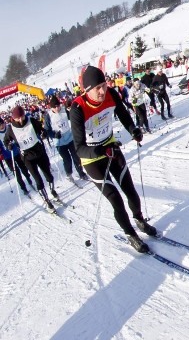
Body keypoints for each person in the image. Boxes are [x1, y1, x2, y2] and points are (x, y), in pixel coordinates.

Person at [70, 66, 156, 253]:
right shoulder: (77, 108)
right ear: (86, 90)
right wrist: (101, 150)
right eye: (97, 88)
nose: (102, 91)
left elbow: (123, 113)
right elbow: (79, 148)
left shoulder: (110, 94)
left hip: (110, 148)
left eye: (103, 85)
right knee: (115, 199)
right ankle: (130, 234)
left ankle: (140, 220)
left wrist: (133, 129)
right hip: (92, 159)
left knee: (130, 189)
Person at [4, 105, 59, 211]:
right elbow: (6, 141)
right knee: (38, 180)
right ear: (13, 118)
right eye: (17, 118)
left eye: (22, 116)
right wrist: (9, 146)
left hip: (39, 152)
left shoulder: (31, 121)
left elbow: (42, 130)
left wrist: (43, 134)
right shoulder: (11, 128)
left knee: (48, 175)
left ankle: (52, 190)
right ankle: (46, 200)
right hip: (27, 157)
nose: (20, 119)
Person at [43, 95, 87, 181]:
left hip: (70, 138)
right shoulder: (48, 116)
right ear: (51, 107)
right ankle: (69, 174)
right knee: (67, 159)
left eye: (58, 106)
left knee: (76, 156)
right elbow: (47, 130)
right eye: (55, 107)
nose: (57, 108)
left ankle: (81, 172)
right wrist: (54, 135)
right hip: (59, 142)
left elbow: (72, 118)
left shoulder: (64, 110)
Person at [0, 115, 36, 196]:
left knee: (24, 168)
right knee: (16, 172)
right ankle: (23, 187)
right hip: (8, 157)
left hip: (17, 152)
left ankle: (28, 178)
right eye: (0, 125)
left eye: (2, 123)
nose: (1, 126)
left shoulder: (10, 128)